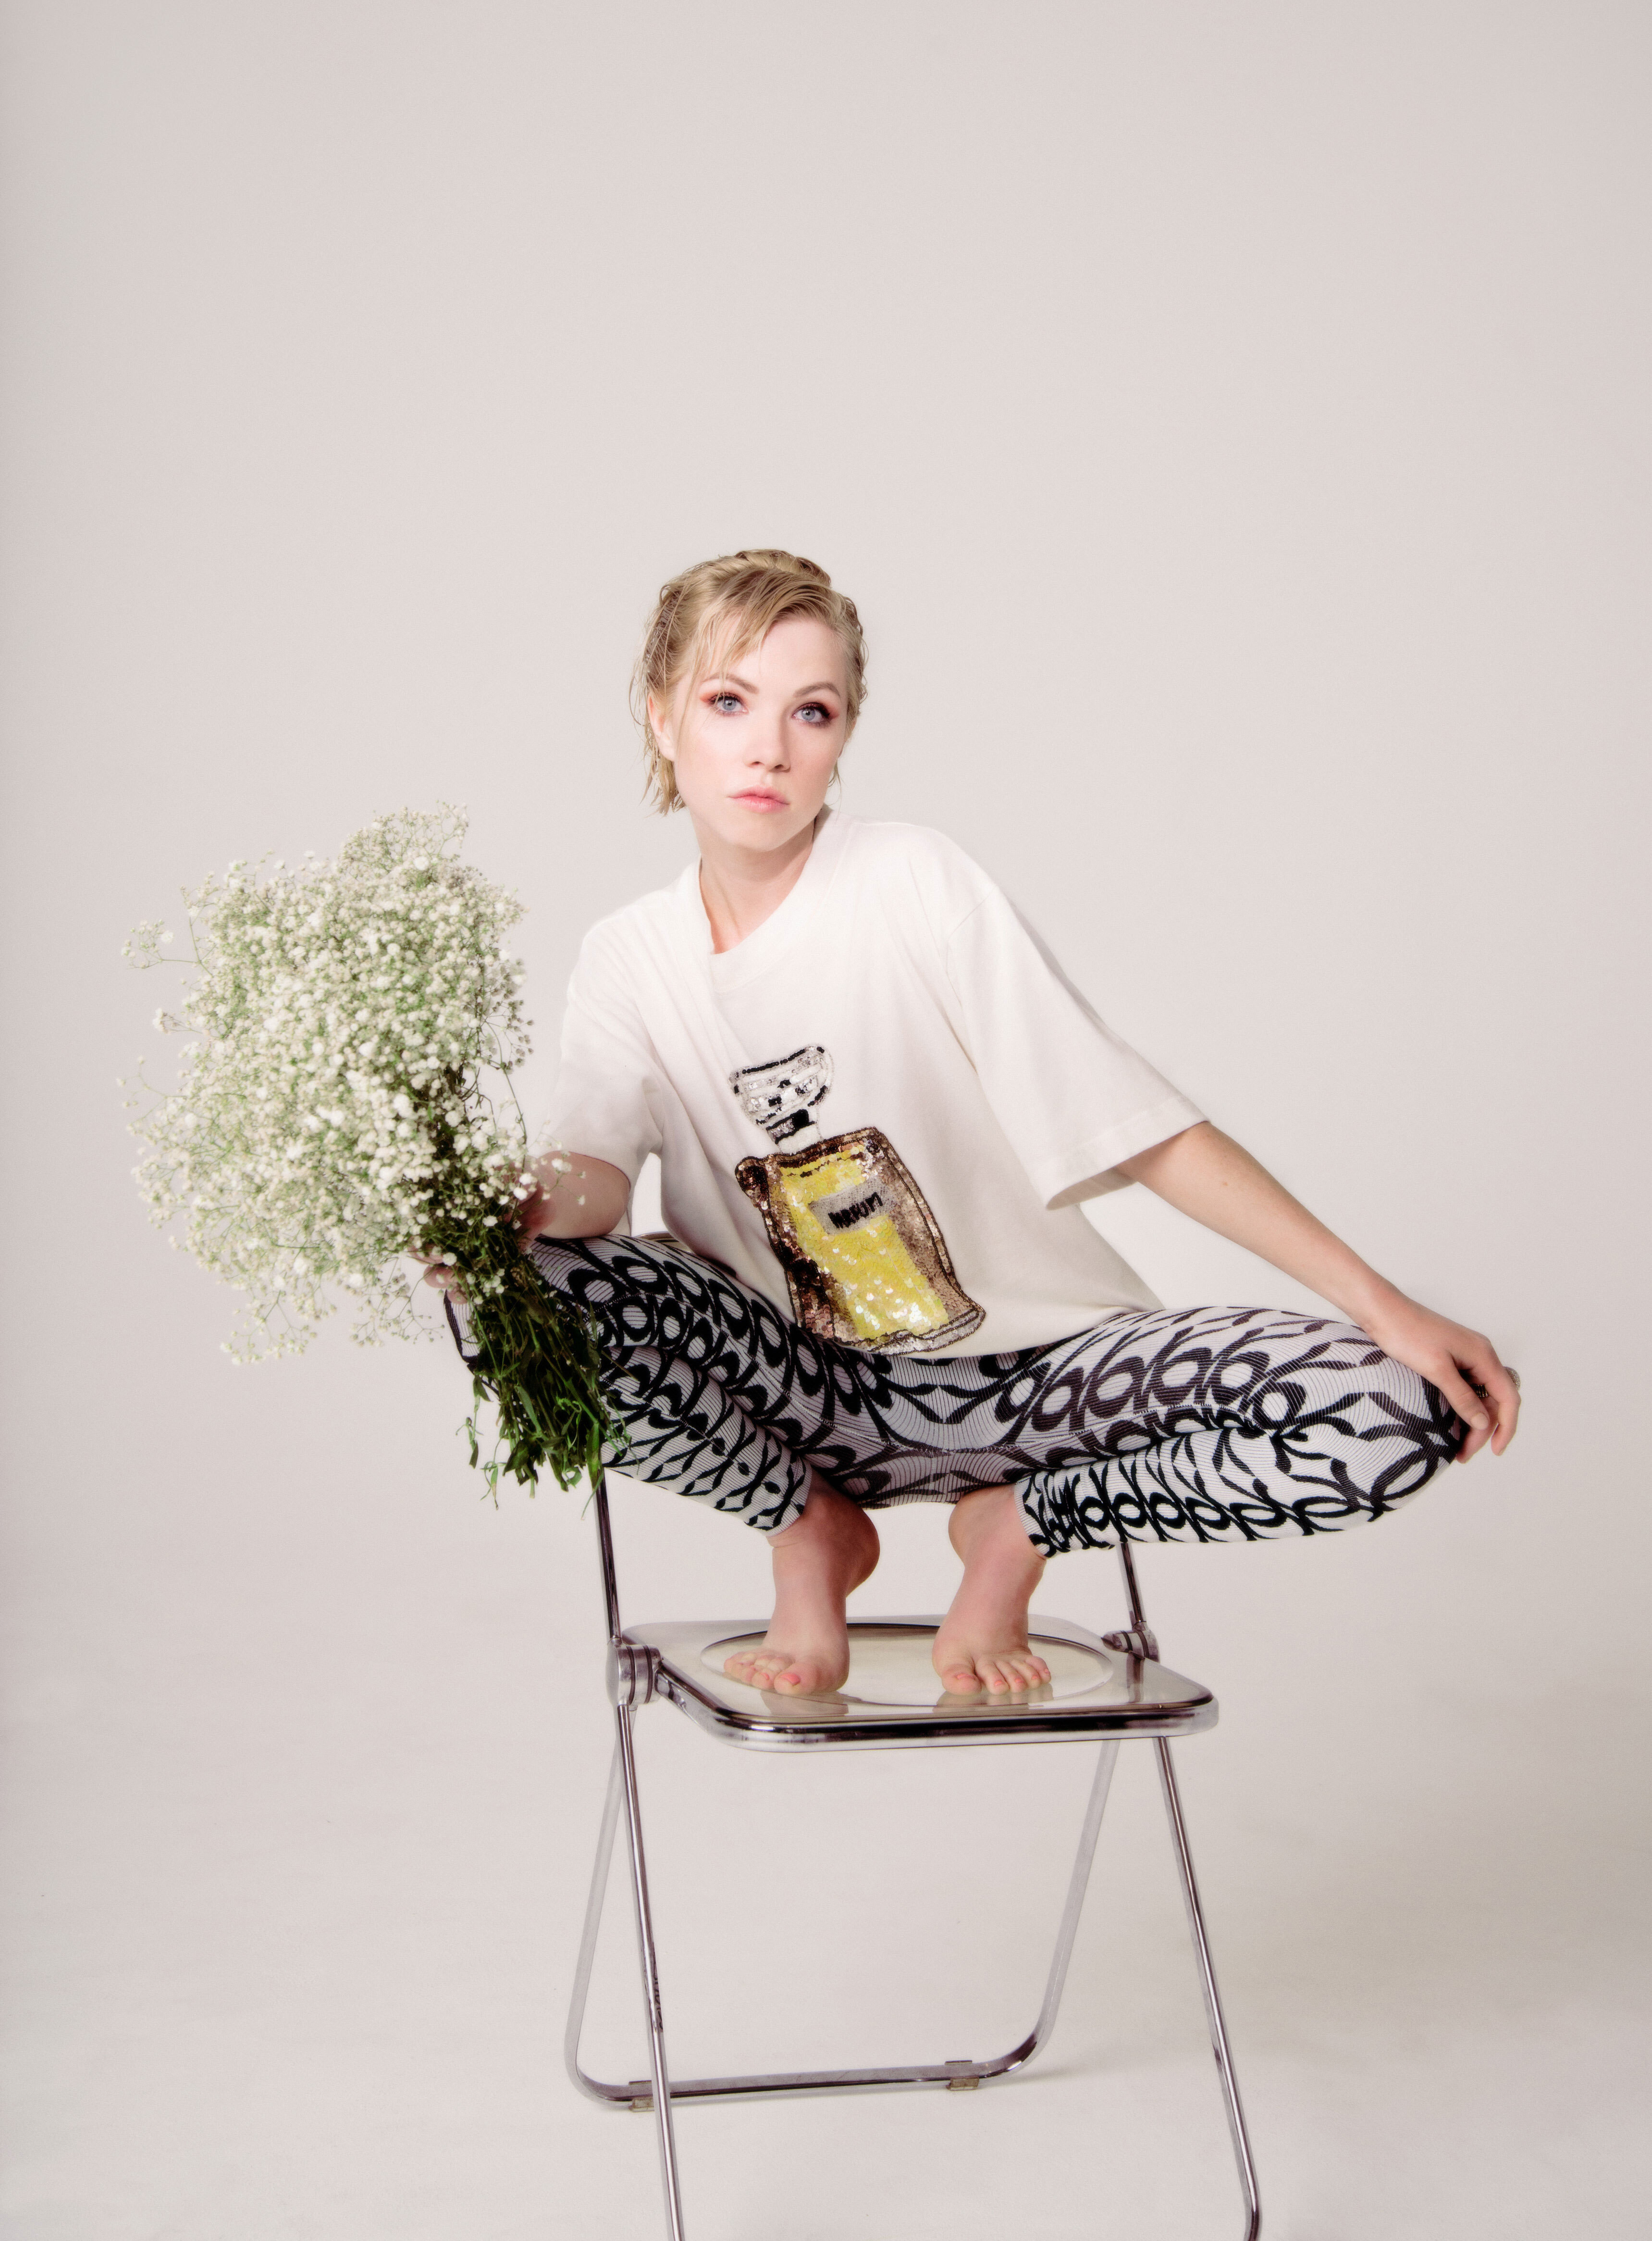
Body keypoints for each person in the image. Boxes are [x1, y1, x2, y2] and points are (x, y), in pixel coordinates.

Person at [438, 548, 1518, 1699]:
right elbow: (597, 1179)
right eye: (728, 702)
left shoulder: (912, 879)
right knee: (506, 1295)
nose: (769, 749)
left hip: (1040, 1383)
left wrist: (1382, 1305)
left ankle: (1019, 1525)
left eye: (812, 710)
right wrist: (498, 1208)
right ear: (663, 718)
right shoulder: (629, 954)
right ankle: (808, 1530)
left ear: (845, 733)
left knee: (1398, 1414)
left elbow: (1134, 1125)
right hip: (805, 1391)